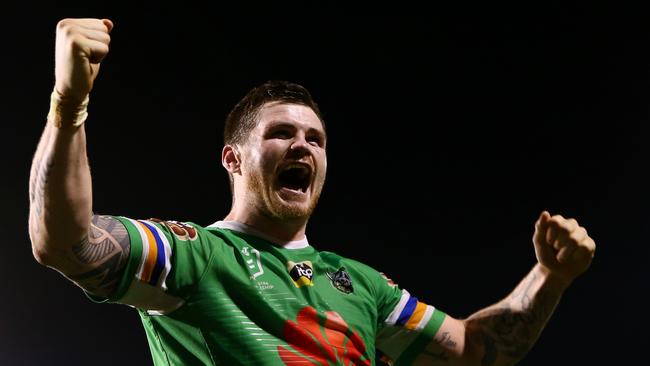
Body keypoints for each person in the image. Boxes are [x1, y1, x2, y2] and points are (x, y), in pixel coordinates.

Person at [28, 18, 596, 366]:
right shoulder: (196, 256)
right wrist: (69, 104)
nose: (303, 146)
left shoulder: (364, 285)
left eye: (315, 138)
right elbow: (65, 242)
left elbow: (474, 352)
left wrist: (550, 276)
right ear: (233, 158)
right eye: (280, 133)